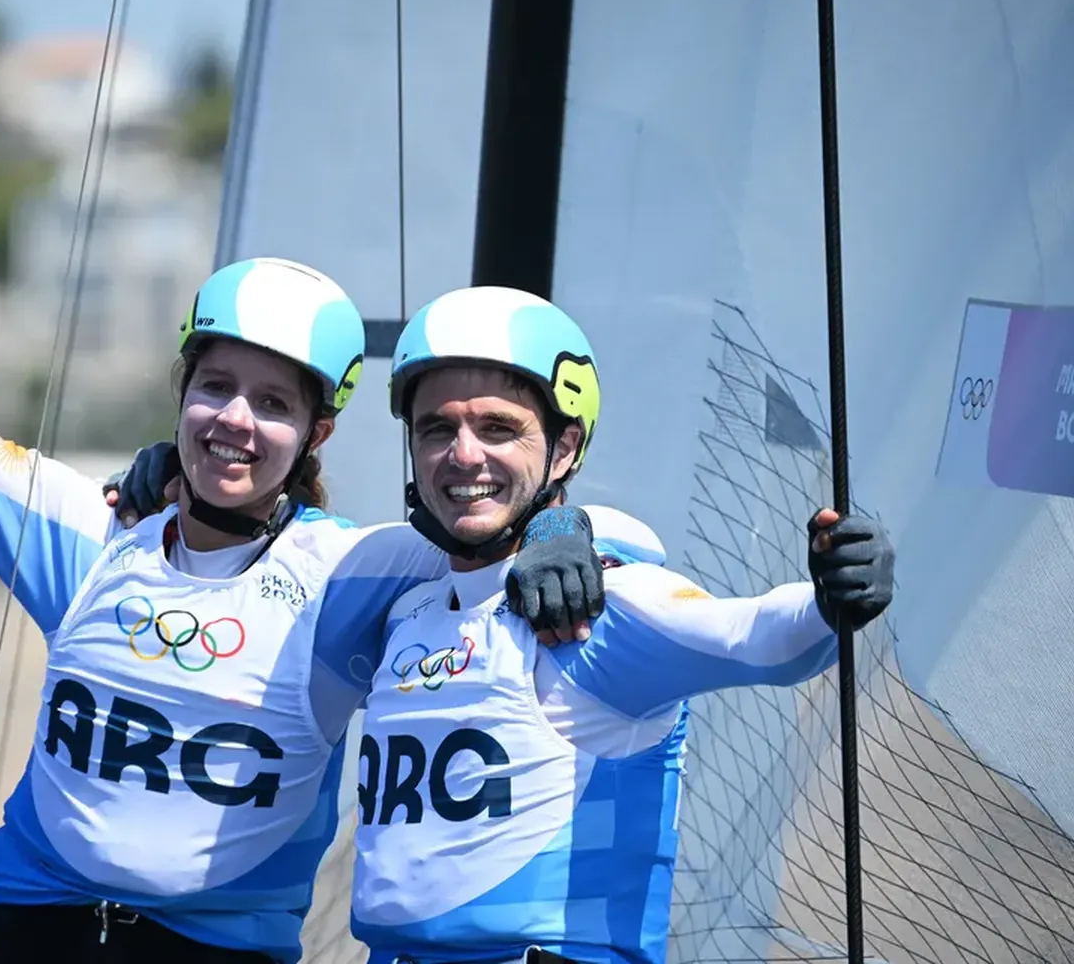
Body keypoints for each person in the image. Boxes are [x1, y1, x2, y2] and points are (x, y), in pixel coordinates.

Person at [0, 59, 653, 964]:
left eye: (275, 404)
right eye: (215, 388)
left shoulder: (355, 574)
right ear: (181, 394)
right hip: (24, 935)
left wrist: (580, 527)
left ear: (319, 431)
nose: (236, 423)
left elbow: (502, 523)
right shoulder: (90, 529)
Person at [340, 285, 896, 964]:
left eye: (496, 428)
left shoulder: (603, 609)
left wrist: (830, 600)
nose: (462, 454)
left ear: (566, 447)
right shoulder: (405, 605)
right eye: (436, 428)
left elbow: (754, 638)